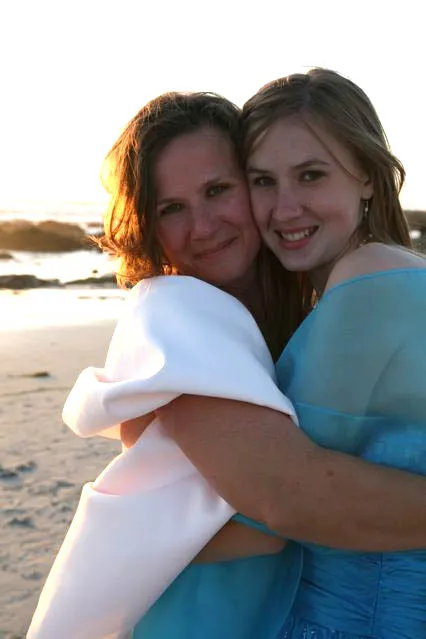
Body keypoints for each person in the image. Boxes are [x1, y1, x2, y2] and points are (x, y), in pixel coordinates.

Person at [158, 69, 426, 638]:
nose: (284, 210)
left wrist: (124, 536)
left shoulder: (368, 278)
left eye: (310, 175)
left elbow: (277, 512)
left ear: (368, 178)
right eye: (261, 181)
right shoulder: (389, 279)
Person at [27, 92, 303, 639]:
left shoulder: (304, 309)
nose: (202, 226)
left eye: (217, 190)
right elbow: (268, 517)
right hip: (199, 619)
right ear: (147, 226)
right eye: (170, 208)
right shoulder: (172, 319)